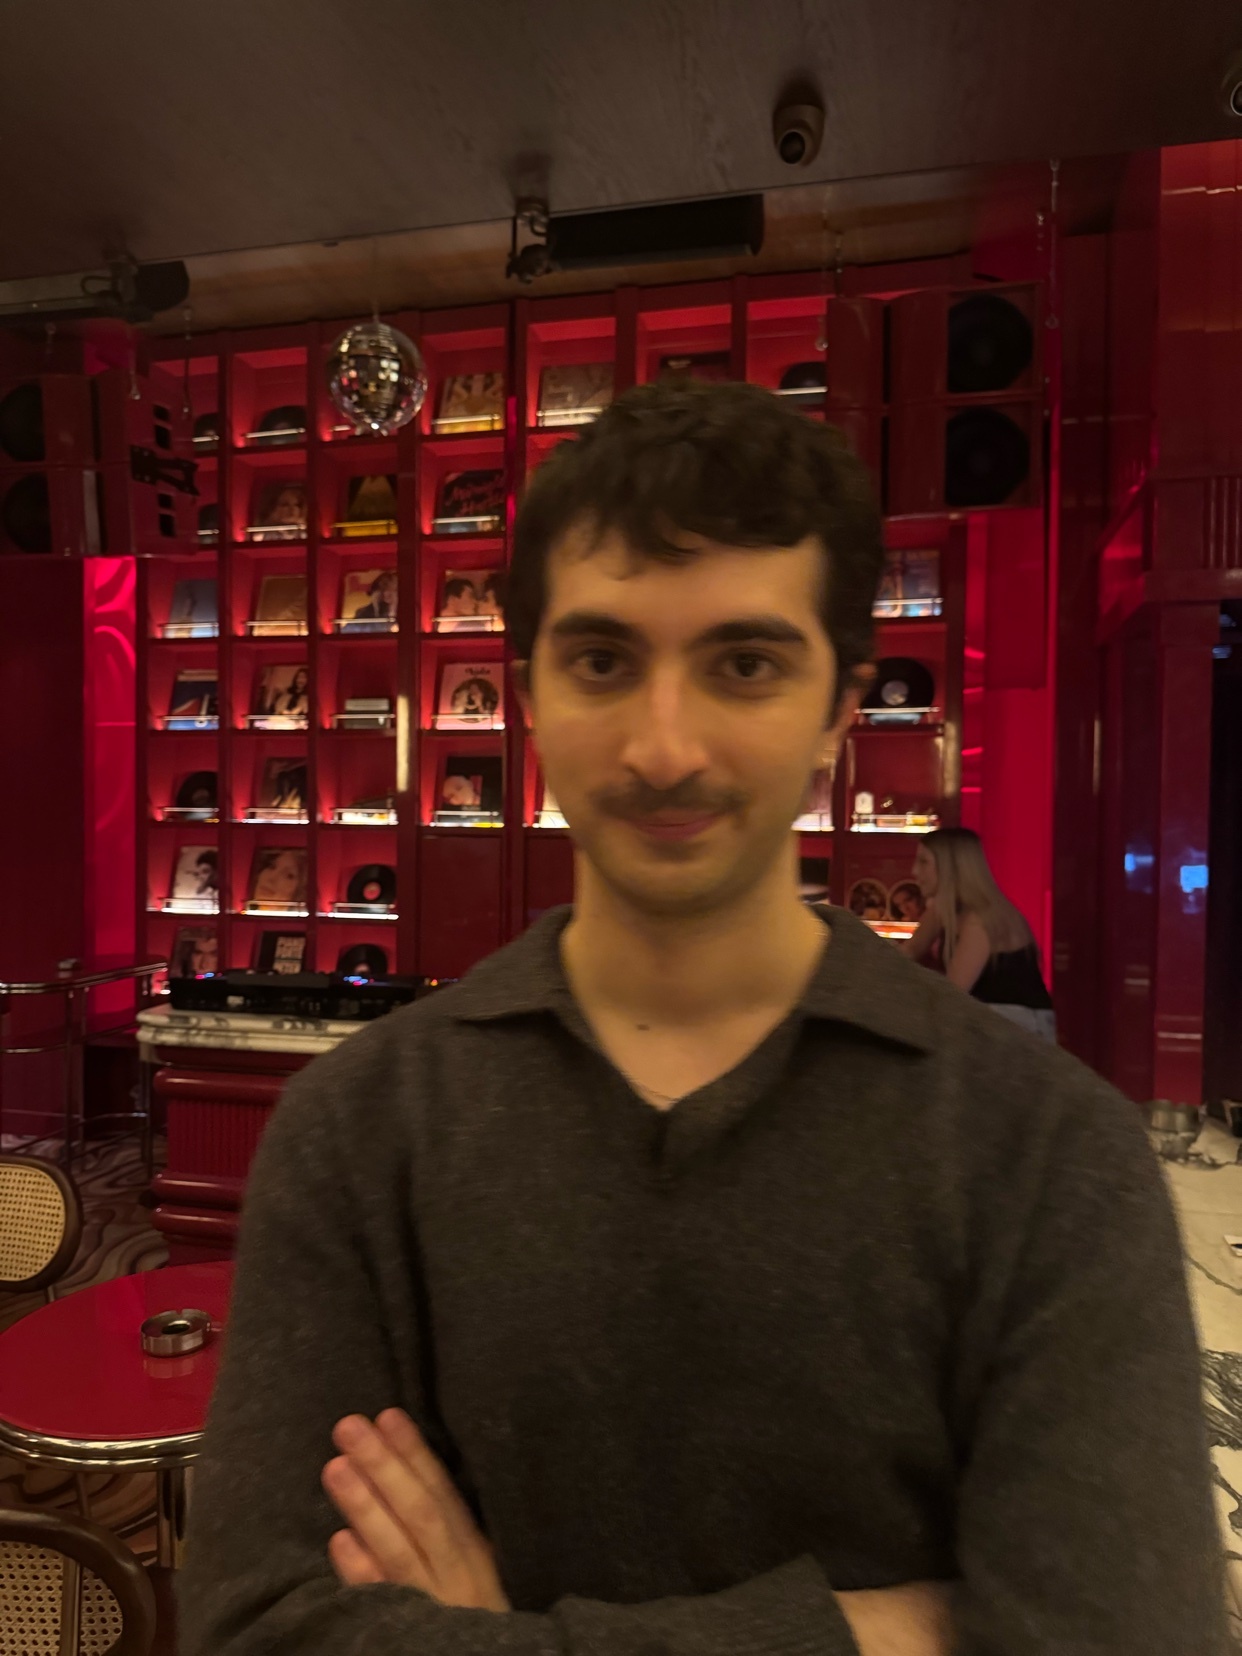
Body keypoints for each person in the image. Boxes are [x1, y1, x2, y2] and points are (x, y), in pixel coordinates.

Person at [181, 381, 1223, 1656]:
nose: (664, 747)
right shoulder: (356, 1131)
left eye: (743, 663)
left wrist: (494, 1638)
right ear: (528, 698)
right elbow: (257, 1631)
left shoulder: (1052, 1157)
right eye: (605, 659)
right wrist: (890, 1632)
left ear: (841, 709)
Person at [903, 828, 1056, 1040]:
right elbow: (909, 952)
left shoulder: (980, 920)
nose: (914, 871)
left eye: (923, 862)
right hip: (988, 1020)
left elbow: (953, 993)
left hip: (1020, 1026)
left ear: (951, 867)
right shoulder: (943, 908)